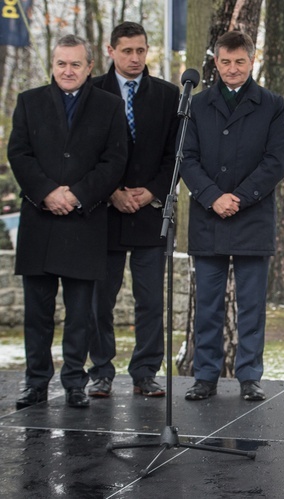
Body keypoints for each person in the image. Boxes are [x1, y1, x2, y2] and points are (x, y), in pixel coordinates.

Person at [8, 34, 127, 409]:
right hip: (39, 223)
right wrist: (47, 192)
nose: (68, 70)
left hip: (84, 223)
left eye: (76, 63)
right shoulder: (29, 102)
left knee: (80, 315)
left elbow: (114, 160)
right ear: (52, 65)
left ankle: (75, 381)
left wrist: (76, 195)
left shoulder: (109, 106)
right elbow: (19, 153)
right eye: (61, 63)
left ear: (90, 66)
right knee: (37, 315)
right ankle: (35, 382)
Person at [179, 30, 284, 402]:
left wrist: (238, 198)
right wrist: (213, 197)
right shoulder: (196, 105)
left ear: (251, 60)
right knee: (207, 304)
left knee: (252, 305)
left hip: (252, 217)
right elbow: (186, 159)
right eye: (225, 62)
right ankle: (205, 376)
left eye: (239, 61)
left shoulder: (272, 105)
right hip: (208, 217)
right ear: (216, 62)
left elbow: (276, 163)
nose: (232, 68)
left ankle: (249, 376)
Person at [86, 22, 180, 399]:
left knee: (150, 300)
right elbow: (85, 154)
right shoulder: (93, 92)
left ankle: (145, 372)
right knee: (99, 299)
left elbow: (177, 154)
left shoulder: (168, 95)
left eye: (141, 50)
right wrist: (111, 193)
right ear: (111, 51)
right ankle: (101, 371)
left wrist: (151, 192)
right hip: (102, 214)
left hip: (149, 213)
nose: (135, 58)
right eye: (127, 51)